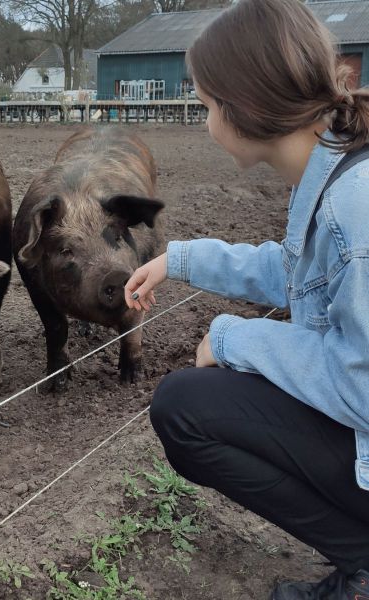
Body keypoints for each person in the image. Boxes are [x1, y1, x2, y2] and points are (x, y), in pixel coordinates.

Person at [123, 0, 369, 598]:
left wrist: (237, 339)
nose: (205, 122)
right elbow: (297, 274)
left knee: (185, 406)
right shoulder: (339, 170)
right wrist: (179, 259)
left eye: (206, 105)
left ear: (245, 109)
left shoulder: (353, 211)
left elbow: (364, 389)